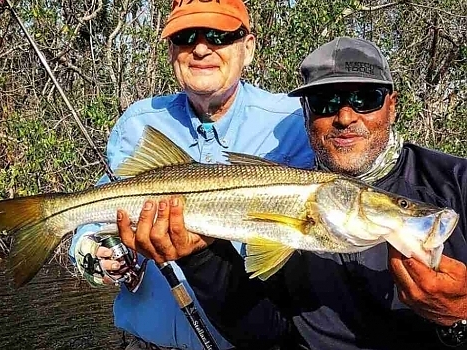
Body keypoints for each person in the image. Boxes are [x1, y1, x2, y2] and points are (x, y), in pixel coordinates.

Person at [120, 37, 467, 350]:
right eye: (324, 102)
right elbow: (265, 336)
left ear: (391, 105)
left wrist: (462, 313)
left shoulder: (457, 182)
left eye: (366, 98)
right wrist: (199, 258)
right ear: (305, 113)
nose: (345, 116)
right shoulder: (296, 189)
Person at [68, 0, 314, 349]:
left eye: (219, 35)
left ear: (248, 47)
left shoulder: (294, 121)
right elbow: (94, 220)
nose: (200, 48)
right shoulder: (139, 122)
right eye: (185, 37)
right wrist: (97, 255)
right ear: (171, 51)